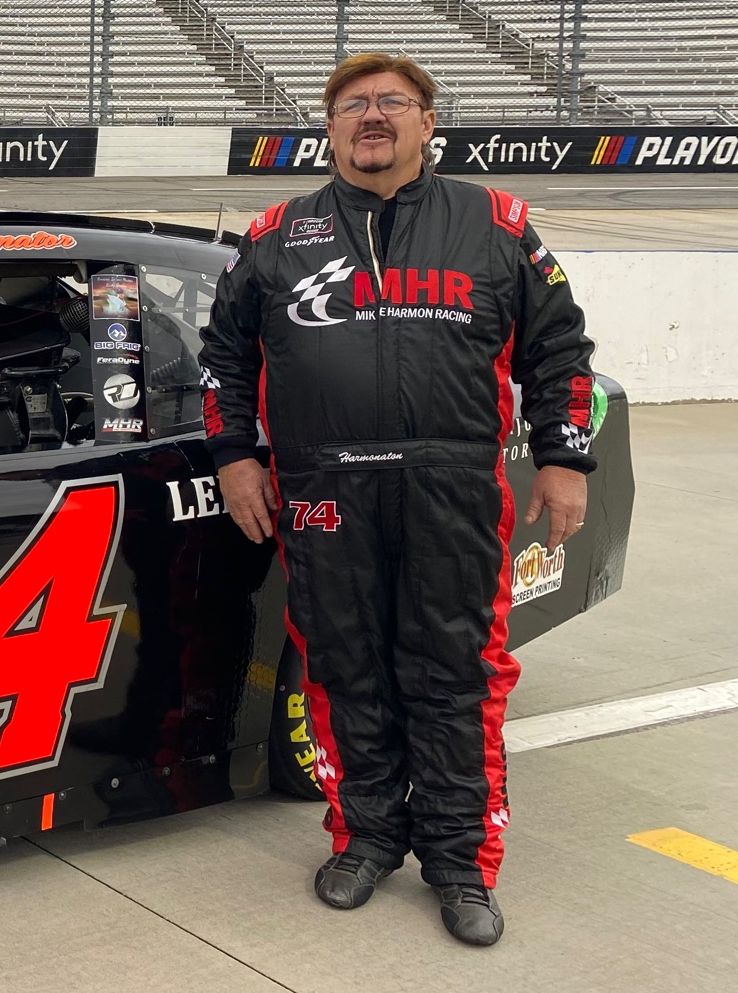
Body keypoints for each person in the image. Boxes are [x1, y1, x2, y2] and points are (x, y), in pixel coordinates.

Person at [199, 52, 597, 947]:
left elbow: (560, 352)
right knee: (344, 669)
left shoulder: (496, 222)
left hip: (452, 485)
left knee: (455, 675)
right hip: (323, 486)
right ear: (329, 128)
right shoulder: (275, 234)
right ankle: (366, 836)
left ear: (427, 122)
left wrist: (565, 459)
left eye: (391, 102)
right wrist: (235, 458)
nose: (370, 116)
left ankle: (461, 861)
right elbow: (223, 357)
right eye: (351, 105)